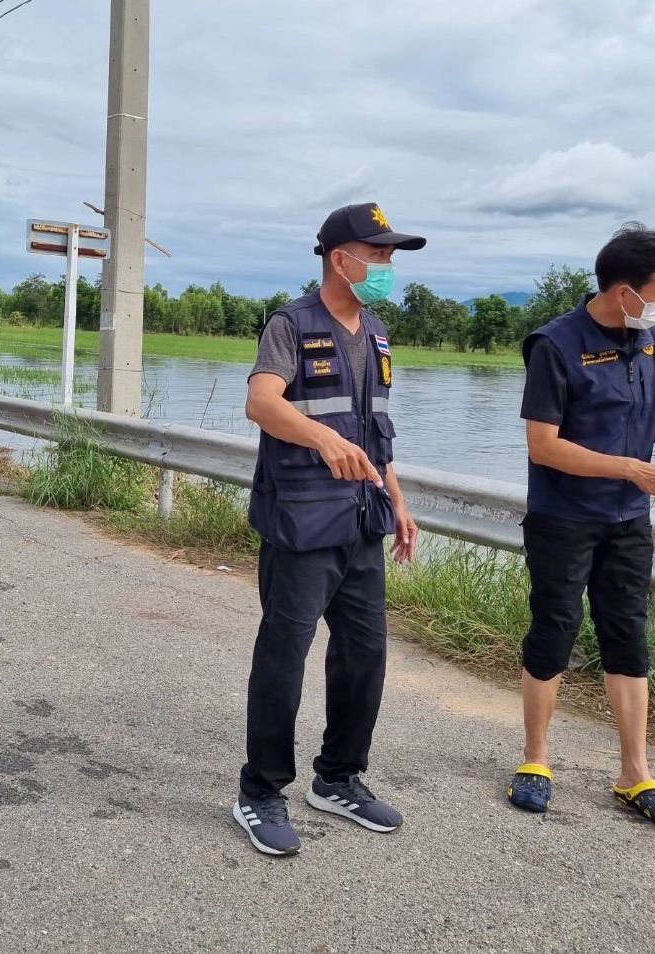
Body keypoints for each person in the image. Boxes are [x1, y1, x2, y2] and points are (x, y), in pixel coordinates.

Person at [508, 223, 655, 834]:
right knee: (554, 630)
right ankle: (535, 761)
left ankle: (635, 772)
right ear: (623, 289)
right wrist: (634, 469)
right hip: (565, 517)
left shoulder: (648, 333)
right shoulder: (556, 345)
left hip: (628, 521)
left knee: (628, 636)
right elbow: (543, 446)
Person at [233, 202, 424, 857]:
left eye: (392, 256)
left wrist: (397, 500)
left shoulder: (377, 332)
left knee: (364, 657)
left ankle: (339, 778)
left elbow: (376, 434)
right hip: (302, 525)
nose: (387, 267)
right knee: (283, 659)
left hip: (362, 523)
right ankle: (259, 792)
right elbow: (261, 400)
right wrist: (318, 437)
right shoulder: (291, 325)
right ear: (341, 258)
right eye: (380, 255)